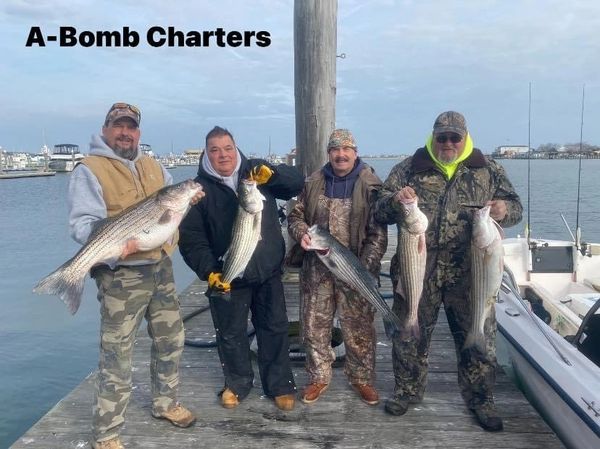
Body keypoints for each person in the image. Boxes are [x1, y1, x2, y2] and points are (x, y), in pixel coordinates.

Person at [374, 111, 523, 431]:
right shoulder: (409, 168)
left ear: (465, 137)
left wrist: (503, 209)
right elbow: (379, 209)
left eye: (455, 137)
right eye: (442, 137)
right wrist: (396, 200)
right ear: (433, 137)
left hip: (471, 275)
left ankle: (481, 399)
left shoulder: (488, 169)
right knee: (408, 336)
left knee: (479, 336)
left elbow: (515, 210)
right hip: (417, 272)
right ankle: (407, 391)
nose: (448, 143)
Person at [68, 102, 203, 449]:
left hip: (161, 269)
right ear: (106, 130)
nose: (125, 133)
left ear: (138, 133)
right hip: (121, 277)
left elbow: (170, 214)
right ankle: (107, 434)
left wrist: (188, 200)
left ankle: (165, 403)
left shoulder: (154, 166)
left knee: (171, 340)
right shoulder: (90, 169)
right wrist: (112, 244)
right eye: (118, 126)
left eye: (131, 127)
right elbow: (82, 224)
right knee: (117, 353)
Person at [178, 126, 303, 411]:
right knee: (231, 333)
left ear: (236, 148)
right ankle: (237, 384)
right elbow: (192, 240)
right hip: (228, 275)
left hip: (268, 270)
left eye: (227, 148)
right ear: (206, 154)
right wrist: (209, 271)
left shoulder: (256, 173)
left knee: (274, 328)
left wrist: (275, 174)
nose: (223, 155)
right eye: (215, 150)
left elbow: (296, 184)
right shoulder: (198, 191)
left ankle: (280, 385)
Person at [287, 129, 388, 406]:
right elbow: (294, 217)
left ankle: (362, 379)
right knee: (313, 325)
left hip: (354, 269)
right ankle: (319, 376)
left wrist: (362, 270)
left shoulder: (370, 185)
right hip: (317, 269)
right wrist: (301, 234)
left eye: (346, 150)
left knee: (359, 328)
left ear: (355, 153)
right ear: (329, 153)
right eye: (335, 150)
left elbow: (378, 234)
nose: (340, 155)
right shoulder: (313, 182)